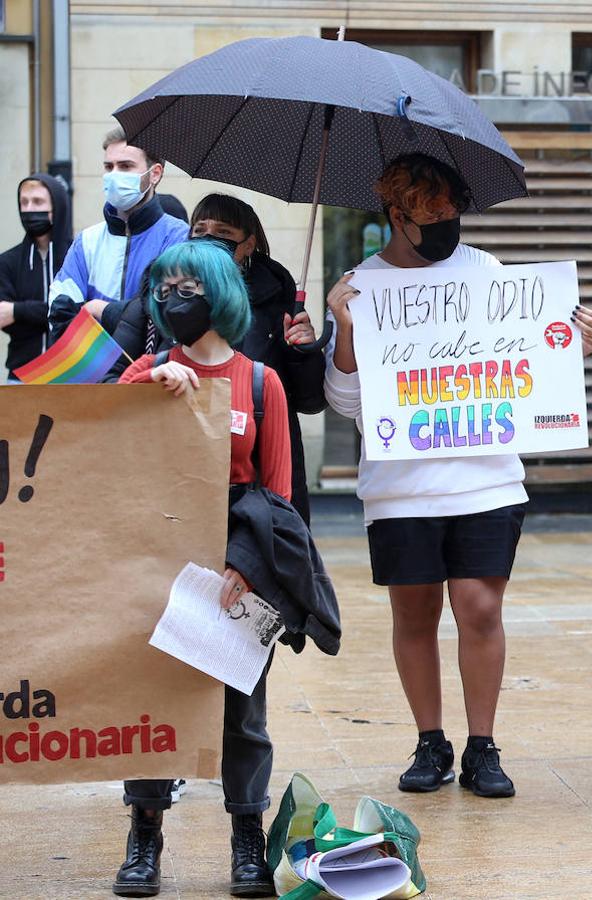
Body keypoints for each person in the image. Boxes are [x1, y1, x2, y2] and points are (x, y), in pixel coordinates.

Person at [323, 153, 592, 800]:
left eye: (453, 209)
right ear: (397, 214)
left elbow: (533, 359)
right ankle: (430, 740)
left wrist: (575, 342)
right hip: (398, 486)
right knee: (414, 613)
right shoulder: (360, 287)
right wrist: (342, 331)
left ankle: (483, 744)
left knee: (479, 608)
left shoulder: (488, 273)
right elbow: (345, 402)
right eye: (434, 211)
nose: (449, 220)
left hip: (486, 481)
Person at [114, 241, 292, 897]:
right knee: (153, 703)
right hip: (161, 562)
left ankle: (248, 836)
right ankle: (144, 832)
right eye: (163, 288)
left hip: (239, 570)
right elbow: (105, 444)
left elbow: (279, 497)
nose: (170, 298)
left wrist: (246, 569)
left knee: (244, 715)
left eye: (186, 286)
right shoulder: (149, 367)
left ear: (219, 295)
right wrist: (145, 386)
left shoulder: (259, 382)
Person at [187, 193, 325, 524]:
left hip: (264, 459)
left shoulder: (279, 296)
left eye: (223, 233)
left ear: (248, 245)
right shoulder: (168, 289)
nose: (209, 239)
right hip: (190, 451)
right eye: (200, 230)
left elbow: (310, 399)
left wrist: (303, 351)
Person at [47, 126, 186, 347]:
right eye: (108, 167)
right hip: (94, 375)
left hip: (154, 376)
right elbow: (60, 314)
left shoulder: (178, 237)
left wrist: (101, 310)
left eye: (125, 166)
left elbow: (170, 315)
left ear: (155, 174)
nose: (113, 175)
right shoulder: (86, 242)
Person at [0, 174, 71, 378]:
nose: (30, 209)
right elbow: (4, 318)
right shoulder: (7, 261)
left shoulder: (77, 255)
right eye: (24, 202)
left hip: (71, 374)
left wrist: (18, 310)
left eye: (38, 201)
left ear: (56, 207)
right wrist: (50, 312)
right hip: (21, 374)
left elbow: (78, 312)